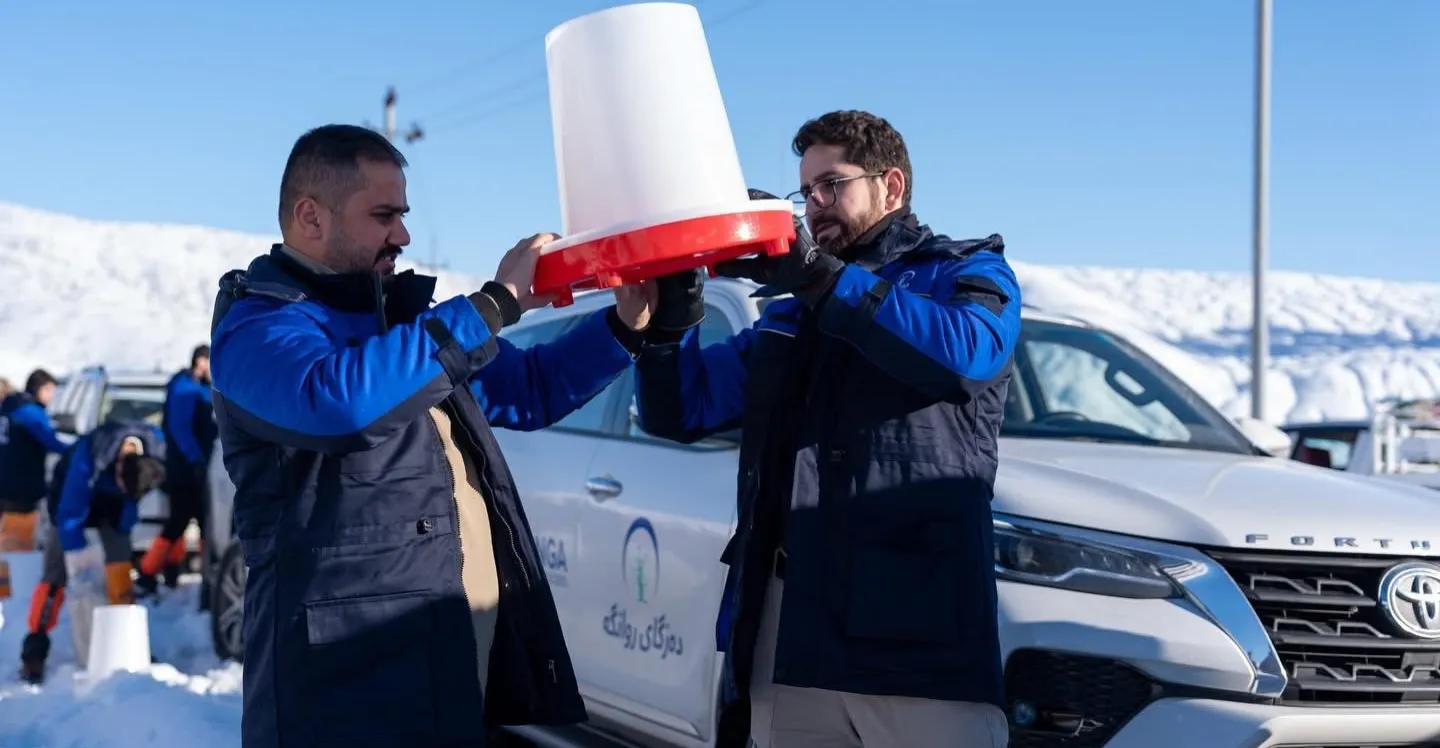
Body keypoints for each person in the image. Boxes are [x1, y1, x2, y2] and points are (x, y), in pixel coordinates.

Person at [208, 123, 651, 748]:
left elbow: (527, 387)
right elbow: (339, 404)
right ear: (310, 216)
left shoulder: (406, 329)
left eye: (404, 214)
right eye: (384, 215)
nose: (403, 235)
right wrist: (494, 306)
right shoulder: (258, 328)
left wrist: (626, 327)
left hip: (442, 658)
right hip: (347, 686)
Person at [622, 110, 1022, 748]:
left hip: (919, 646)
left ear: (890, 187)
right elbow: (682, 411)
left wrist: (816, 276)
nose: (813, 206)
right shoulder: (790, 316)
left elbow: (965, 358)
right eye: (804, 192)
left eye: (831, 185)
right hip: (793, 631)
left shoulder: (965, 270)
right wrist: (669, 324)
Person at [19, 419, 166, 683]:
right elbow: (70, 514)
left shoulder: (153, 454)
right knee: (57, 575)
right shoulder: (93, 453)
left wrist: (118, 547)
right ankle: (34, 650)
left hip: (112, 507)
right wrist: (79, 557)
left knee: (120, 569)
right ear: (120, 466)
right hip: (67, 504)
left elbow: (130, 505)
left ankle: (125, 644)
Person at [136, 344, 216, 595]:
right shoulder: (186, 389)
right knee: (185, 521)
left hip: (192, 466)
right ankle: (150, 572)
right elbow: (181, 429)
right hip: (187, 469)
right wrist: (196, 461)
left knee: (189, 521)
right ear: (201, 362)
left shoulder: (192, 387)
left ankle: (170, 569)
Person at [0, 369, 68, 552]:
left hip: (6, 482)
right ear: (41, 389)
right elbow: (51, 441)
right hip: (20, 489)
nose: (52, 397)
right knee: (17, 545)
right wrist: (77, 451)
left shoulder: (8, 408)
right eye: (51, 391)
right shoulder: (29, 412)